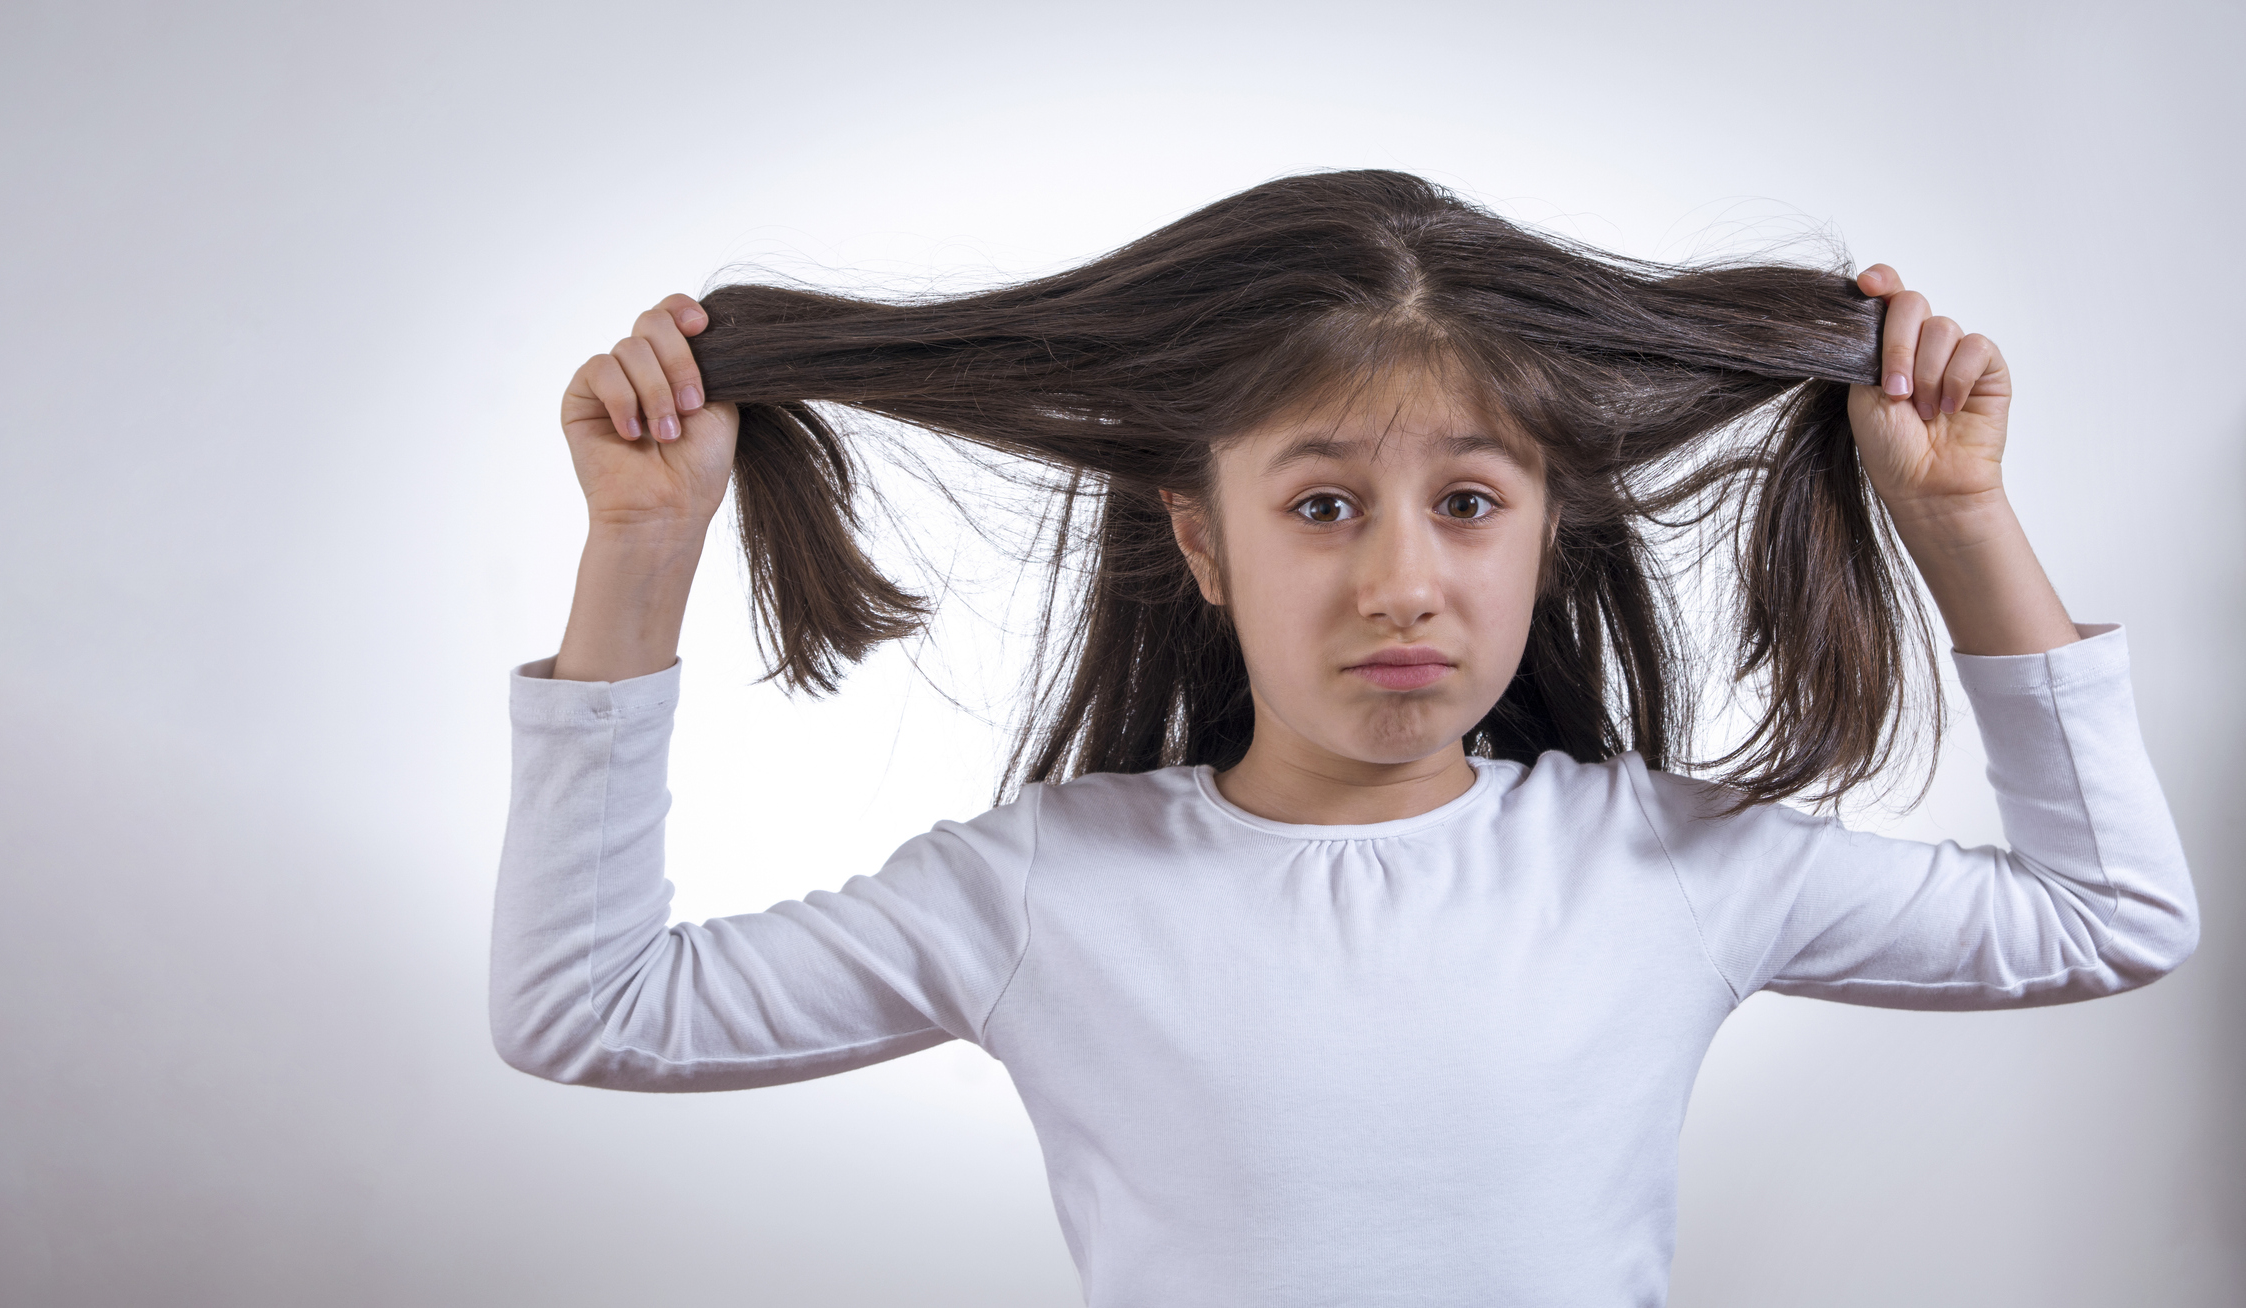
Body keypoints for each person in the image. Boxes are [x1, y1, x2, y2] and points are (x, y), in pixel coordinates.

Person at [488, 170, 2197, 1307]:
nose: (1403, 582)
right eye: (1319, 503)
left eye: (1467, 500)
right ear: (1202, 541)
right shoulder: (1045, 888)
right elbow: (591, 1012)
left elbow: (2106, 918)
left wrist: (1960, 519)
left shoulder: (1657, 863)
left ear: (1546, 536)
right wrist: (641, 548)